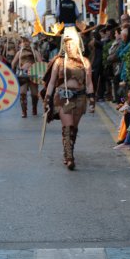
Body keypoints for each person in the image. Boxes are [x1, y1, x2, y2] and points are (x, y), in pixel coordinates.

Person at [43, 27, 95, 170]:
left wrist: (92, 100)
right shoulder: (59, 62)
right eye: (67, 43)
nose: (69, 46)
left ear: (77, 43)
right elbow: (52, 82)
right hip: (63, 97)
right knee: (68, 126)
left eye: (72, 43)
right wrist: (47, 99)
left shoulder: (85, 61)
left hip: (80, 97)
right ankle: (69, 157)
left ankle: (69, 151)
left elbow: (89, 82)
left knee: (74, 129)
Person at [12, 36, 42, 118]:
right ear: (21, 43)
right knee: (22, 94)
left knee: (34, 94)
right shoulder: (19, 53)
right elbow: (13, 63)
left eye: (27, 41)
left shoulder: (34, 51)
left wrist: (39, 69)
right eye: (23, 42)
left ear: (30, 43)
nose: (25, 43)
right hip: (22, 74)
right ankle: (24, 111)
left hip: (33, 73)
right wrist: (13, 72)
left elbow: (40, 62)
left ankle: (34, 108)